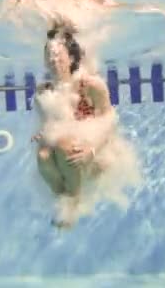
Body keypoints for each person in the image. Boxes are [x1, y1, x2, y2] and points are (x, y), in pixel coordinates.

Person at [32, 22, 119, 228]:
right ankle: (61, 198)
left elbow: (110, 121)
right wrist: (42, 134)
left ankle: (74, 200)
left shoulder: (91, 85)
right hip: (69, 154)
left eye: (58, 55)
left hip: (96, 153)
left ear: (71, 58)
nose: (53, 60)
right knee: (43, 155)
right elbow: (50, 124)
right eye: (49, 55)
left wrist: (93, 149)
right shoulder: (44, 92)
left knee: (63, 146)